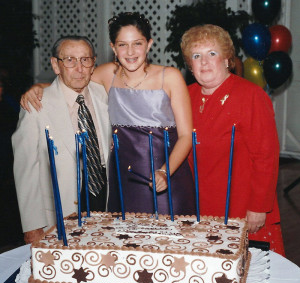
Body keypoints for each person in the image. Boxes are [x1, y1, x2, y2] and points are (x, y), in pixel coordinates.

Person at [20, 12, 196, 216]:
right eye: (122, 44)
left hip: (166, 178)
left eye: (137, 43)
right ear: (113, 47)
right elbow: (73, 80)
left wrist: (165, 172)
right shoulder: (106, 74)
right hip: (123, 182)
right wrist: (41, 87)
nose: (130, 52)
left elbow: (186, 136)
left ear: (149, 44)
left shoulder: (171, 77)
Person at [181, 24, 284, 255]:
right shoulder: (186, 95)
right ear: (190, 64)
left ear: (227, 60)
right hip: (199, 206)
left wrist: (259, 207)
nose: (204, 62)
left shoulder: (251, 96)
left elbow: (266, 156)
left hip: (242, 207)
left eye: (212, 53)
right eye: (197, 56)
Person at [12, 36, 111, 244]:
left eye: (85, 60)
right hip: (58, 215)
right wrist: (32, 227)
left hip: (103, 206)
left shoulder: (103, 94)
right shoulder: (36, 106)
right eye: (69, 60)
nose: (79, 68)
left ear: (94, 64)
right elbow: (26, 171)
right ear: (56, 65)